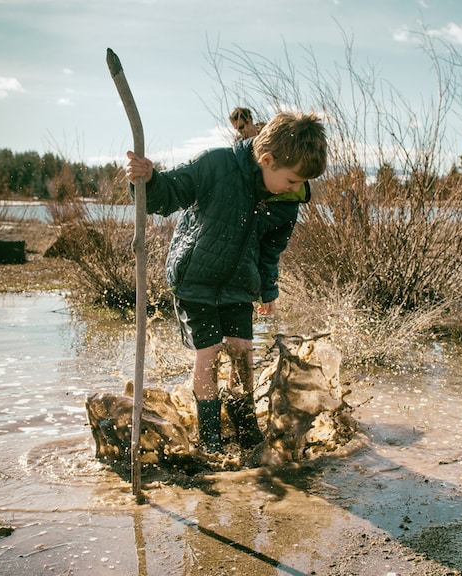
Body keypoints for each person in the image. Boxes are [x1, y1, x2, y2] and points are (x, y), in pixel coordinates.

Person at [125, 111, 328, 453]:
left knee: (242, 354)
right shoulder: (217, 165)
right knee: (209, 354)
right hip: (195, 281)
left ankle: (245, 425)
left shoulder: (285, 198)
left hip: (239, 284)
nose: (297, 189)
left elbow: (270, 249)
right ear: (267, 159)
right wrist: (146, 179)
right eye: (292, 180)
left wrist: (267, 288)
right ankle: (210, 438)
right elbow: (168, 196)